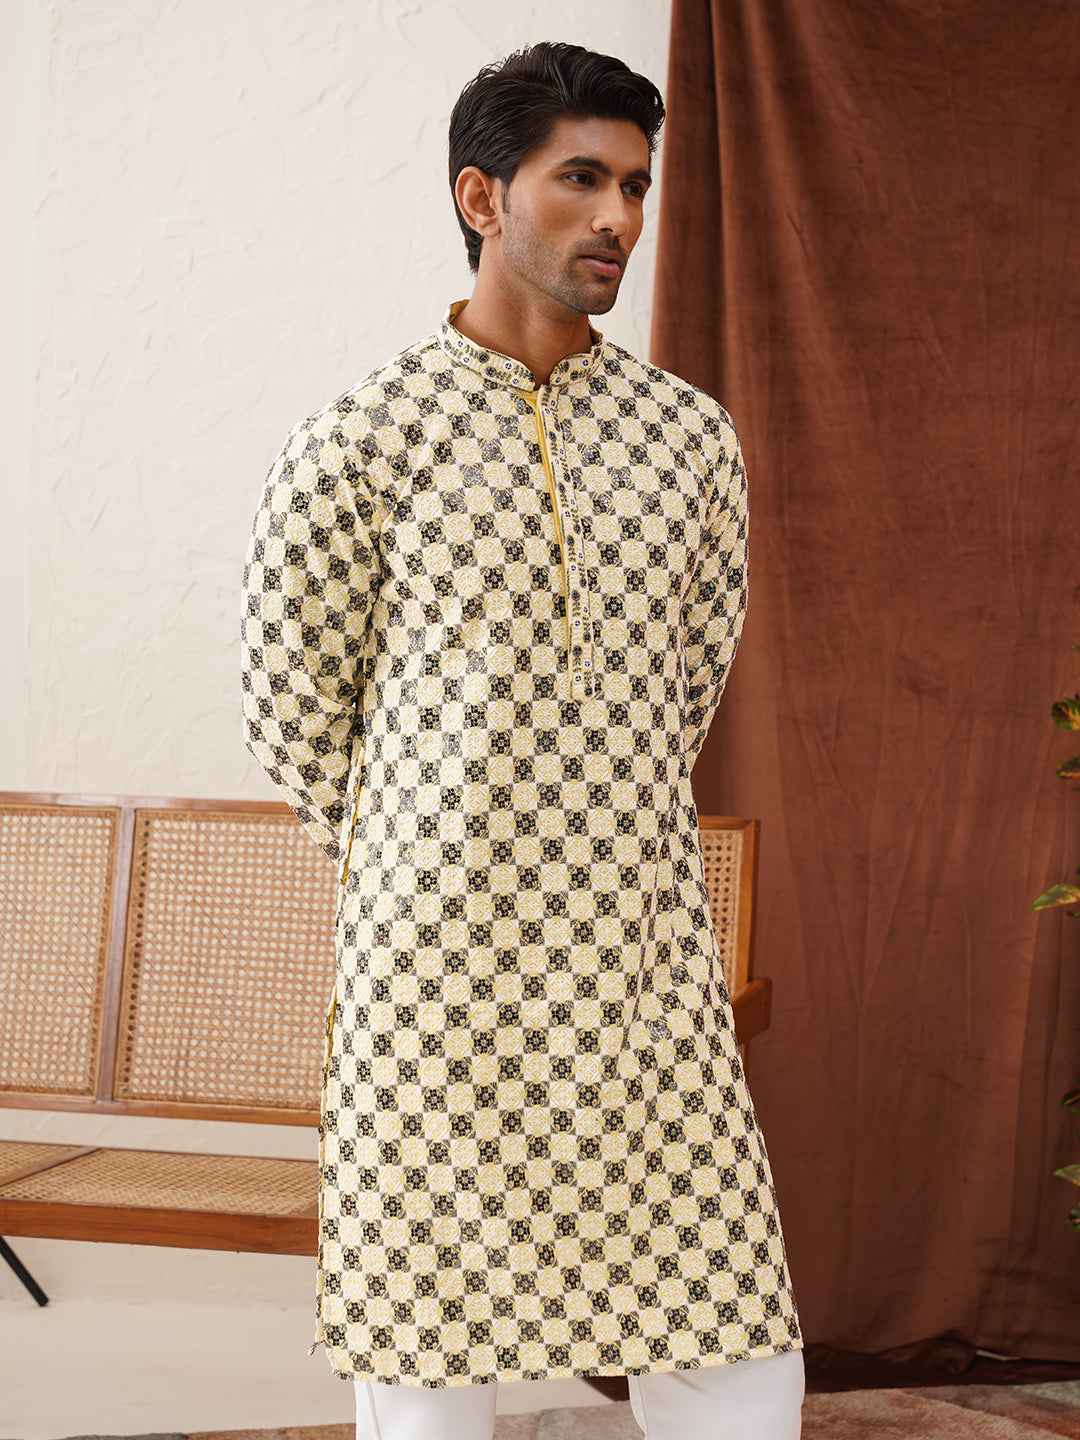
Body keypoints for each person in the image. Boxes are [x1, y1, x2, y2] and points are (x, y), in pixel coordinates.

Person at [241, 41, 802, 1440]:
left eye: (637, 186)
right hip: (435, 979)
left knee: (728, 1336)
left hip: (640, 962)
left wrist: (589, 827)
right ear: (482, 196)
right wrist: (430, 855)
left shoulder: (690, 443)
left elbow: (689, 680)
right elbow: (290, 702)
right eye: (583, 180)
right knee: (427, 1353)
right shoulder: (364, 439)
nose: (620, 216)